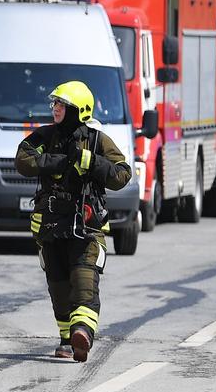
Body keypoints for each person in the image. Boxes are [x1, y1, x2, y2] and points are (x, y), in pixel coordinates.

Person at [16, 81, 131, 362]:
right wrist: (57, 162)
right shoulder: (43, 136)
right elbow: (22, 159)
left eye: (61, 105)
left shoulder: (96, 140)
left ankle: (83, 333)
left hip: (86, 229)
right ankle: (67, 339)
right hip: (51, 226)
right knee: (57, 286)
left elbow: (122, 173)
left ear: (78, 110)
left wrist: (91, 162)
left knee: (83, 283)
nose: (55, 109)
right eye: (54, 104)